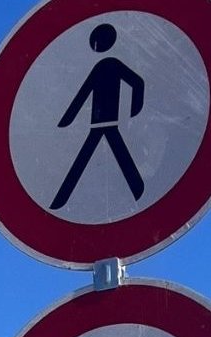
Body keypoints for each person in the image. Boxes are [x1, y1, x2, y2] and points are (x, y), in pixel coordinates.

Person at [49, 23, 146, 210]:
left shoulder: (110, 64)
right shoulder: (103, 66)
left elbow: (137, 83)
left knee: (95, 156)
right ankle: (138, 189)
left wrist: (133, 110)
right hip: (98, 122)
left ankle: (138, 189)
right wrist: (67, 119)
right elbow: (83, 94)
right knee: (94, 155)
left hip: (108, 120)